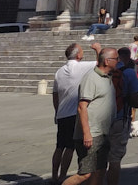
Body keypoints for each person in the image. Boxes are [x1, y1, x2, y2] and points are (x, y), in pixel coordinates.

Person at [62, 46, 117, 185]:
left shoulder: (107, 77)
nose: (118, 61)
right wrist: (86, 133)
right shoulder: (91, 78)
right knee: (85, 173)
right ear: (107, 61)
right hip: (91, 134)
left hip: (103, 132)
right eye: (116, 59)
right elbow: (82, 107)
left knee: (100, 170)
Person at [52, 42, 93, 185]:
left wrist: (56, 112)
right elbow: (102, 62)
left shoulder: (59, 71)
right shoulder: (80, 67)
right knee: (70, 147)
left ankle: (54, 176)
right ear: (78, 55)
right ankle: (63, 176)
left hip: (62, 114)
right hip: (73, 114)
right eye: (82, 51)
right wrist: (97, 49)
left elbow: (55, 95)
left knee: (59, 146)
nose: (83, 53)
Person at [107, 46, 138, 185]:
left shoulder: (105, 71)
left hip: (101, 118)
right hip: (120, 118)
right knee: (115, 159)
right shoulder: (129, 73)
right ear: (128, 57)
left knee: (100, 159)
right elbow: (135, 100)